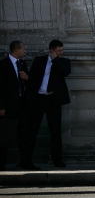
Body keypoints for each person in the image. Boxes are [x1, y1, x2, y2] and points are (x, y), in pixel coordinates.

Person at [27, 40, 71, 168]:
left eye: (62, 50)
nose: (61, 52)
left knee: (55, 131)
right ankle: (27, 160)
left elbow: (66, 72)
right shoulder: (39, 60)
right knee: (32, 129)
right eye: (58, 51)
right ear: (51, 51)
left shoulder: (63, 61)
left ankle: (57, 159)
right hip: (39, 99)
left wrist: (55, 60)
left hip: (53, 100)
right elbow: (33, 77)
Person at [0, 41, 39, 170]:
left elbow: (28, 85)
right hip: (9, 106)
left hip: (23, 105)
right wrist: (2, 106)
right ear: (16, 50)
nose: (25, 51)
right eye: (23, 49)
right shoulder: (3, 65)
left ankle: (25, 161)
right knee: (6, 133)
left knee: (25, 134)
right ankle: (2, 162)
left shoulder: (22, 64)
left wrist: (27, 78)